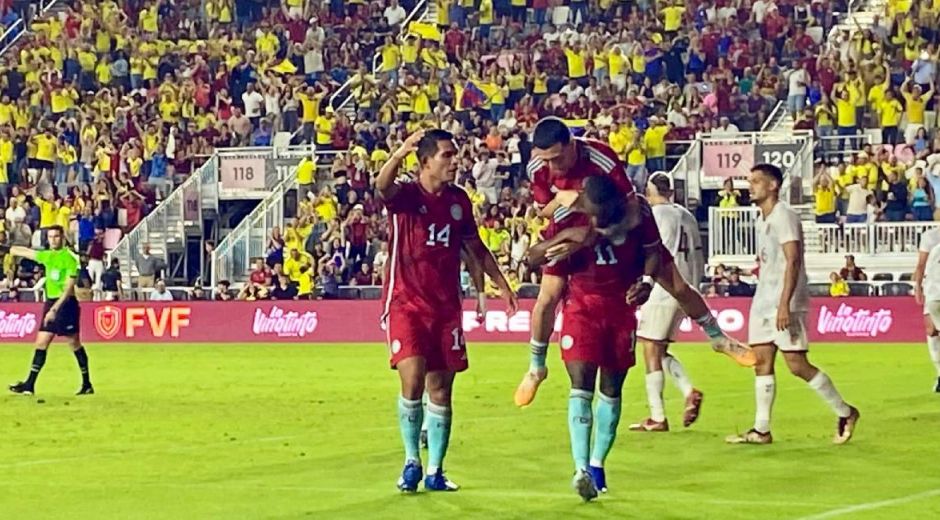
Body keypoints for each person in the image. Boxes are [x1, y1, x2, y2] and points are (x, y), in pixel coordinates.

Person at [515, 119, 755, 408]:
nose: (551, 167)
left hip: (618, 225)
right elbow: (545, 211)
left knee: (678, 285)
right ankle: (536, 367)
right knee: (548, 297)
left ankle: (719, 339)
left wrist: (599, 229)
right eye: (546, 160)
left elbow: (630, 209)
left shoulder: (601, 158)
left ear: (571, 144)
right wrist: (573, 208)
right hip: (573, 224)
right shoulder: (537, 166)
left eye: (557, 158)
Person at [376, 129, 517, 493]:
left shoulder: (458, 201)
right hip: (405, 301)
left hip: (445, 307)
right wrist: (398, 153)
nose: (454, 161)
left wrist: (500, 284)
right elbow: (382, 186)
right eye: (446, 155)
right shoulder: (407, 196)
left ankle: (435, 471)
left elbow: (475, 245)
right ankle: (411, 461)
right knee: (412, 380)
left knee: (441, 389)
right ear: (424, 161)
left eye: (454, 155)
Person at [522, 174, 650, 501]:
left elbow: (654, 253)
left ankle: (597, 464)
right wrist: (559, 242)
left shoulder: (636, 216)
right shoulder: (571, 222)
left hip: (621, 312)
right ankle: (581, 468)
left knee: (611, 389)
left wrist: (646, 280)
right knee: (581, 384)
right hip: (582, 310)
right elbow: (534, 257)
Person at [726, 164, 859, 445]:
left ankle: (845, 412)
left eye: (756, 181)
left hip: (784, 300)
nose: (750, 186)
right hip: (764, 299)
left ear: (773, 185)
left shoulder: (783, 215)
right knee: (761, 362)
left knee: (796, 364)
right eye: (750, 181)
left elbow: (793, 260)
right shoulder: (763, 219)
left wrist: (784, 304)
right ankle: (761, 430)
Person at [630, 173, 705, 432]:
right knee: (658, 348)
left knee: (650, 347)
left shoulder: (657, 216)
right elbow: (698, 255)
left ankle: (658, 416)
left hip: (662, 288)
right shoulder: (687, 216)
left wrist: (645, 283)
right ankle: (688, 390)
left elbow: (654, 254)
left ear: (650, 189)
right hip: (686, 289)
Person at [4, 226, 94, 395]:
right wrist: (9, 249)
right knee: (41, 342)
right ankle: (29, 385)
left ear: (62, 238)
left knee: (74, 343)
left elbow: (68, 289)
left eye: (56, 237)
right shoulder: (48, 256)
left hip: (66, 304)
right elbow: (27, 252)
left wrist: (54, 309)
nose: (53, 240)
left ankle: (87, 383)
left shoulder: (69, 259)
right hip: (51, 302)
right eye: (51, 237)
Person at [913, 227, 940, 393]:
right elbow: (920, 265)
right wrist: (917, 286)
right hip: (933, 290)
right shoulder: (930, 236)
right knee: (932, 331)